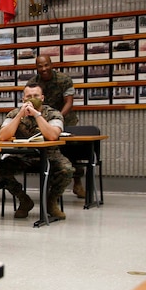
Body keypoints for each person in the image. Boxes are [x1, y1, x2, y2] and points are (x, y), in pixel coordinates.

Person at [0, 83, 74, 220]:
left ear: (42, 98)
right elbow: (3, 136)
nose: (32, 99)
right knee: (0, 169)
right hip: (23, 156)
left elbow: (53, 135)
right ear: (23, 99)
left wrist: (37, 115)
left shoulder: (54, 114)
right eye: (29, 96)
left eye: (36, 96)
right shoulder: (14, 113)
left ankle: (51, 202)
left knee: (67, 169)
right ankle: (24, 200)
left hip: (49, 156)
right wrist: (19, 116)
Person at [28, 54, 85, 198]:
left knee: (72, 151)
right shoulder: (33, 82)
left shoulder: (64, 79)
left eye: (46, 65)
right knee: (50, 152)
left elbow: (69, 102)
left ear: (51, 65)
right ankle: (52, 186)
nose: (44, 69)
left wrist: (56, 117)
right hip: (42, 120)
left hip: (66, 120)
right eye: (40, 66)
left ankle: (77, 182)